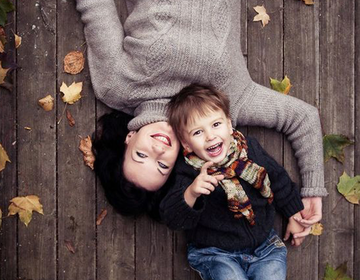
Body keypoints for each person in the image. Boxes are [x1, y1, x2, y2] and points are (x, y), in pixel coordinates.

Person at [76, 0, 327, 233]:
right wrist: (312, 191)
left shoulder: (116, 87)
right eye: (162, 165)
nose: (158, 150)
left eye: (141, 155)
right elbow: (302, 117)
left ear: (129, 138)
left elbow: (95, 7)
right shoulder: (225, 108)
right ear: (175, 162)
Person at [160, 84, 305, 280]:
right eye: (197, 132)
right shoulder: (189, 171)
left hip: (265, 246)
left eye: (216, 125)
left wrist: (294, 215)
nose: (210, 136)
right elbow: (172, 217)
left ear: (229, 124)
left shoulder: (249, 150)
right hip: (215, 253)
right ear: (186, 143)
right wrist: (192, 193)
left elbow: (278, 179)